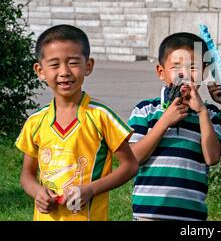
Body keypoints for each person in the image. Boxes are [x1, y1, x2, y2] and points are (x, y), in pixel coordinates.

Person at [15, 25, 138, 221]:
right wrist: (37, 192)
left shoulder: (101, 116)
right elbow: (26, 175)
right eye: (54, 65)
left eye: (73, 63)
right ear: (40, 70)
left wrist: (91, 189)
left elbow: (130, 166)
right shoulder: (35, 121)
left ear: (88, 66)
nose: (64, 72)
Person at [128, 33, 221, 221]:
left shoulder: (208, 114)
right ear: (161, 72)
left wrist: (201, 112)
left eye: (193, 67)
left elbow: (212, 158)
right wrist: (165, 121)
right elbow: (134, 157)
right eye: (176, 67)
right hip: (148, 213)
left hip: (190, 215)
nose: (184, 74)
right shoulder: (145, 110)